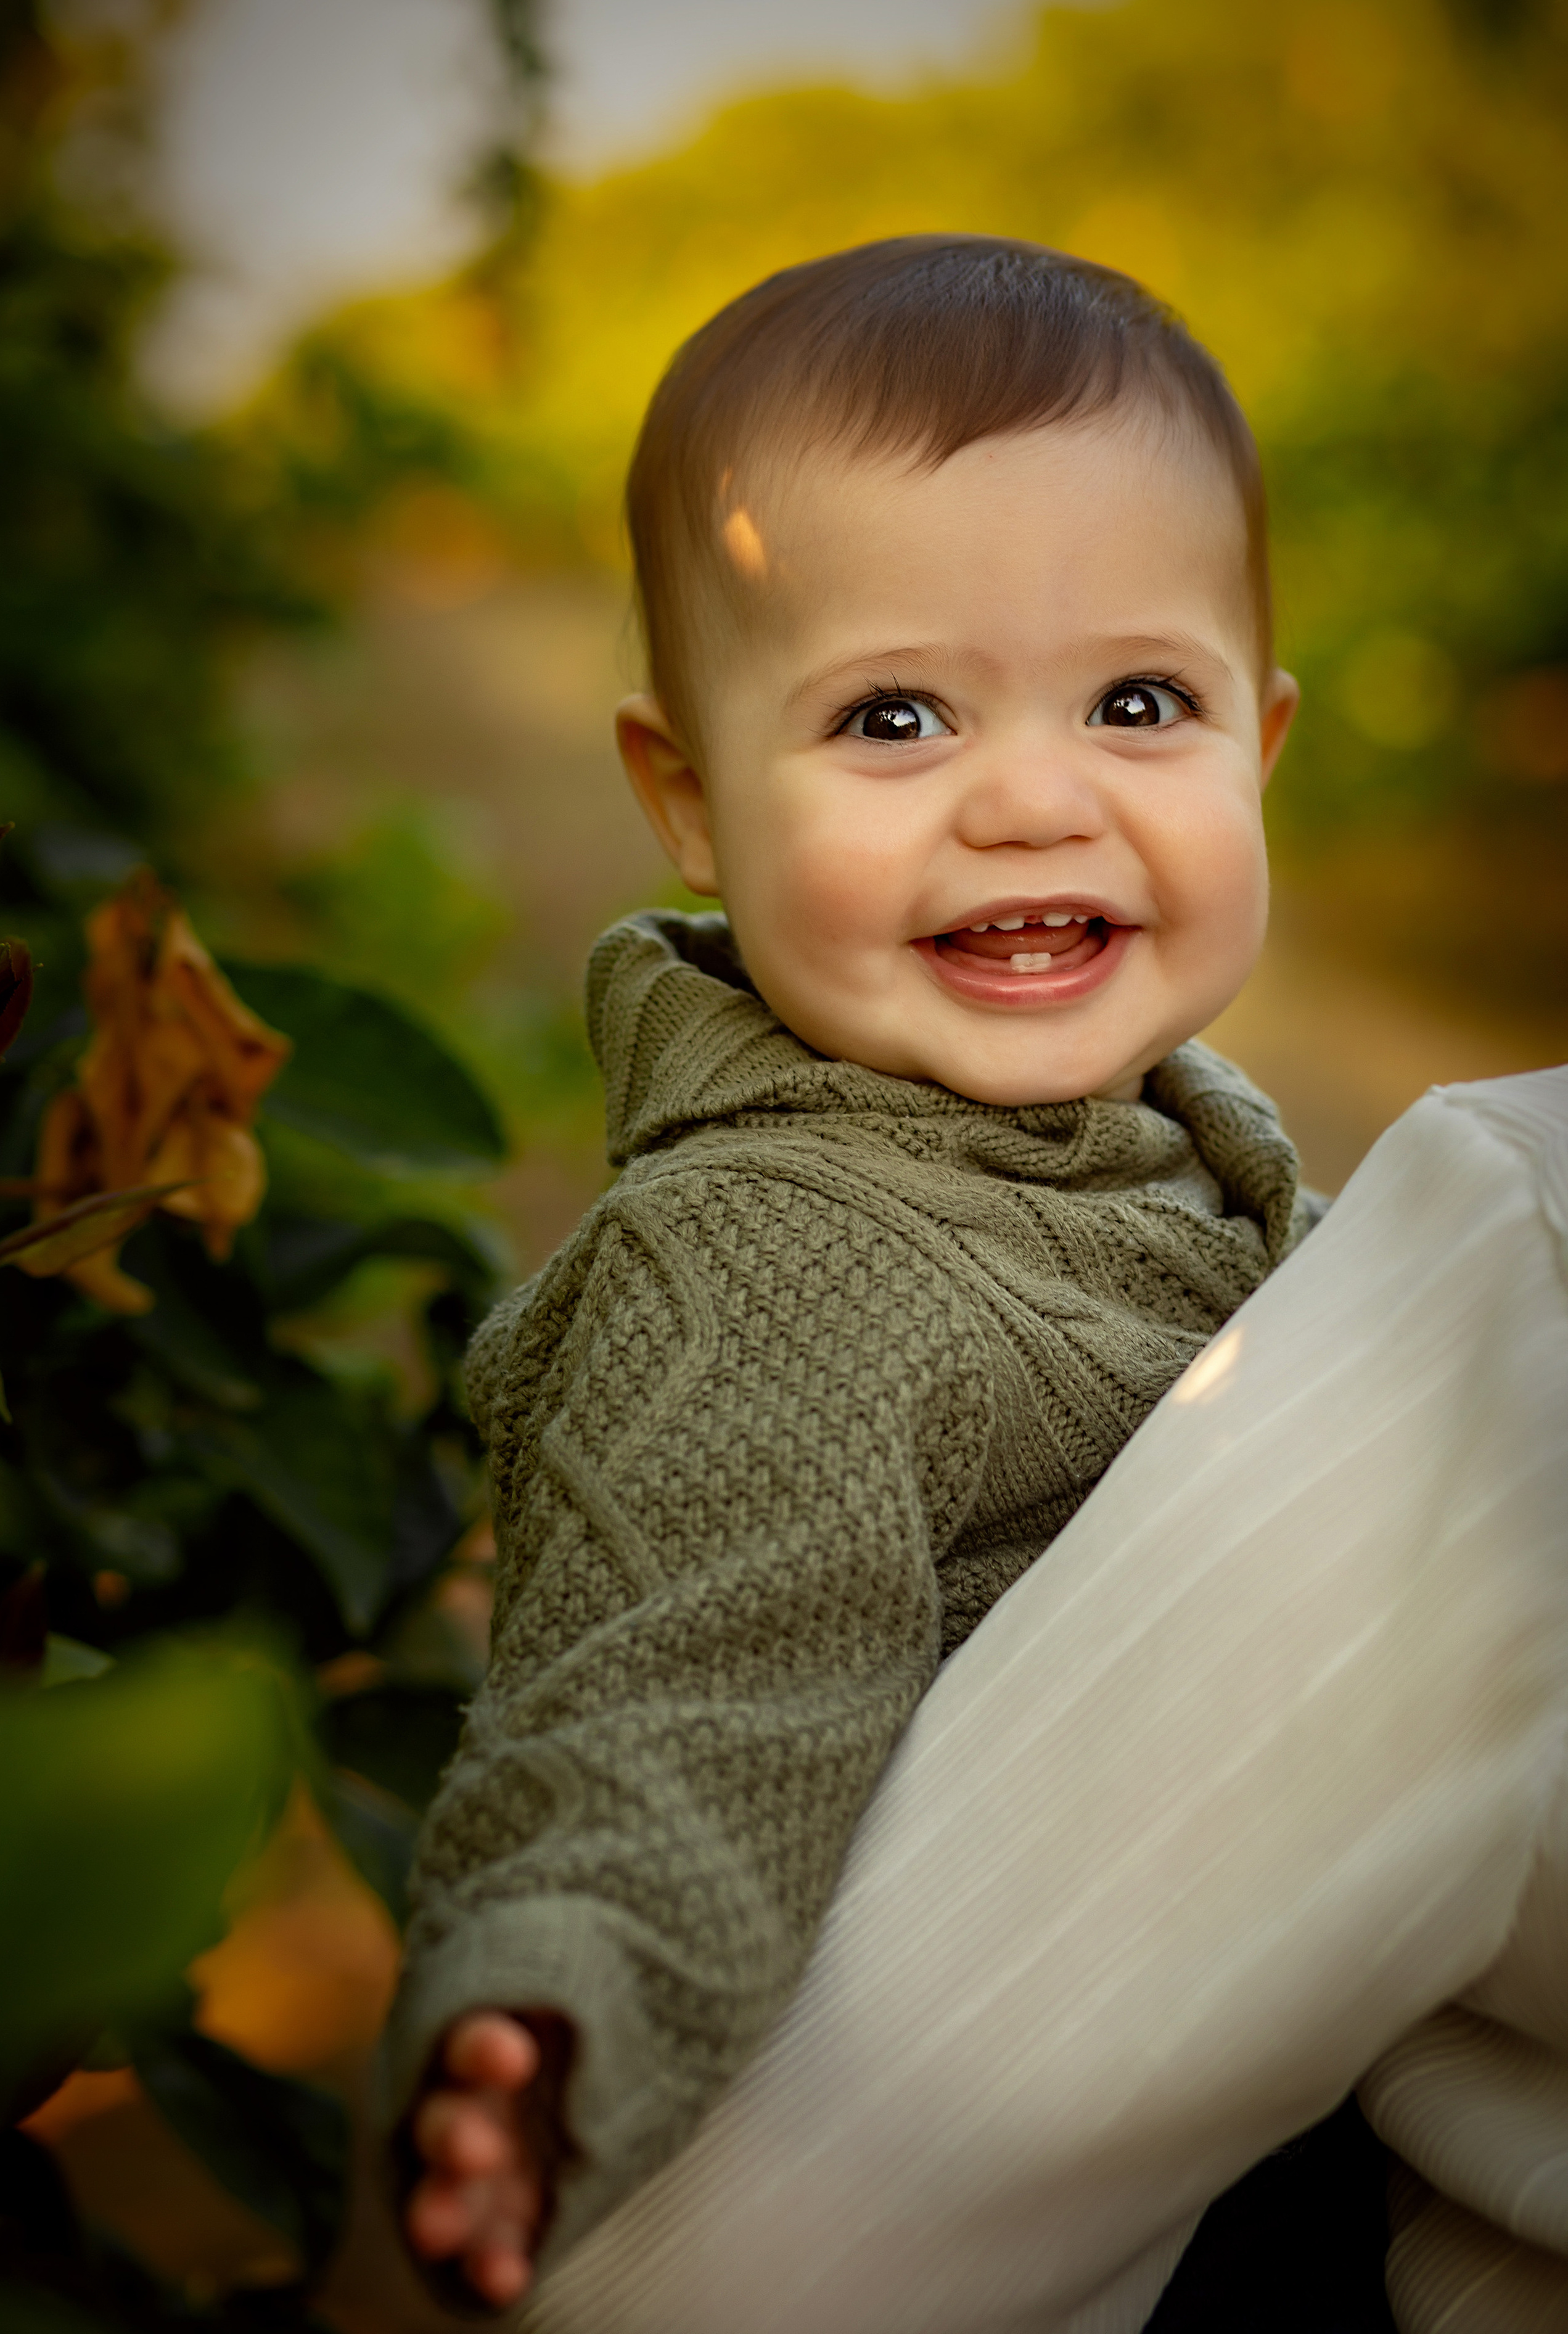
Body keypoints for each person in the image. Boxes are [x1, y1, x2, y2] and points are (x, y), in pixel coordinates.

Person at [380, 236, 1547, 2322]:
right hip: (1105, 2225)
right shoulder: (767, 1261)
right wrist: (550, 2009)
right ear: (691, 803)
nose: (1031, 799)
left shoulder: (1183, 1154)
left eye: (1137, 702)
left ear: (1259, 744)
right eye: (894, 716)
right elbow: (682, 1684)